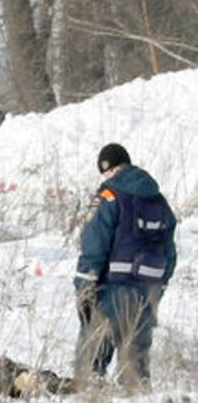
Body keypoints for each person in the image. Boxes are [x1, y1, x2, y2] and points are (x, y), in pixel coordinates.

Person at [73, 144, 176, 388]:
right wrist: (158, 287)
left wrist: (84, 284)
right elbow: (170, 252)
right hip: (147, 290)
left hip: (112, 289)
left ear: (109, 169)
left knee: (90, 361)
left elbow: (94, 242)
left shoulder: (109, 196)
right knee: (136, 368)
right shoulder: (158, 200)